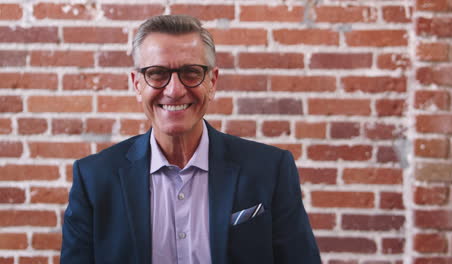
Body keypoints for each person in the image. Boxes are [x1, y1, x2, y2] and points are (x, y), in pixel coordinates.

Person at [60, 14, 321, 264]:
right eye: (157, 73)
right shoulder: (94, 179)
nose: (174, 90)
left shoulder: (270, 170)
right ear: (137, 84)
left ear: (212, 81)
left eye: (191, 72)